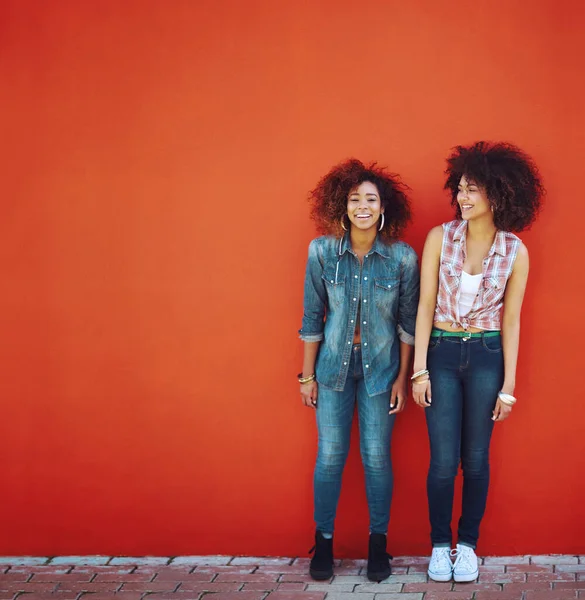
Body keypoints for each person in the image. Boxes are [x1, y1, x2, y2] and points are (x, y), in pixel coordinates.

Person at [412, 142, 544, 582]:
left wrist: (509, 385)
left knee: (477, 458)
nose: (464, 198)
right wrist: (419, 369)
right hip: (443, 353)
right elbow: (425, 305)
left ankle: (466, 545)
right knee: (443, 460)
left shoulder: (515, 251)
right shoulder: (439, 237)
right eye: (461, 189)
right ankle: (437, 545)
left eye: (474, 190)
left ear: (499, 194)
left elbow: (511, 320)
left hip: (487, 354)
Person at [298, 158, 419, 582]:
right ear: (342, 205)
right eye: (354, 198)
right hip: (332, 370)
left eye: (370, 198)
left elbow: (408, 325)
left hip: (380, 373)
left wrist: (402, 379)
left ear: (384, 206)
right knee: (330, 456)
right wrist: (306, 375)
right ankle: (324, 543)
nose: (362, 206)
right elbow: (312, 317)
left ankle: (378, 547)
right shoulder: (322, 252)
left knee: (375, 457)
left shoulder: (402, 258)